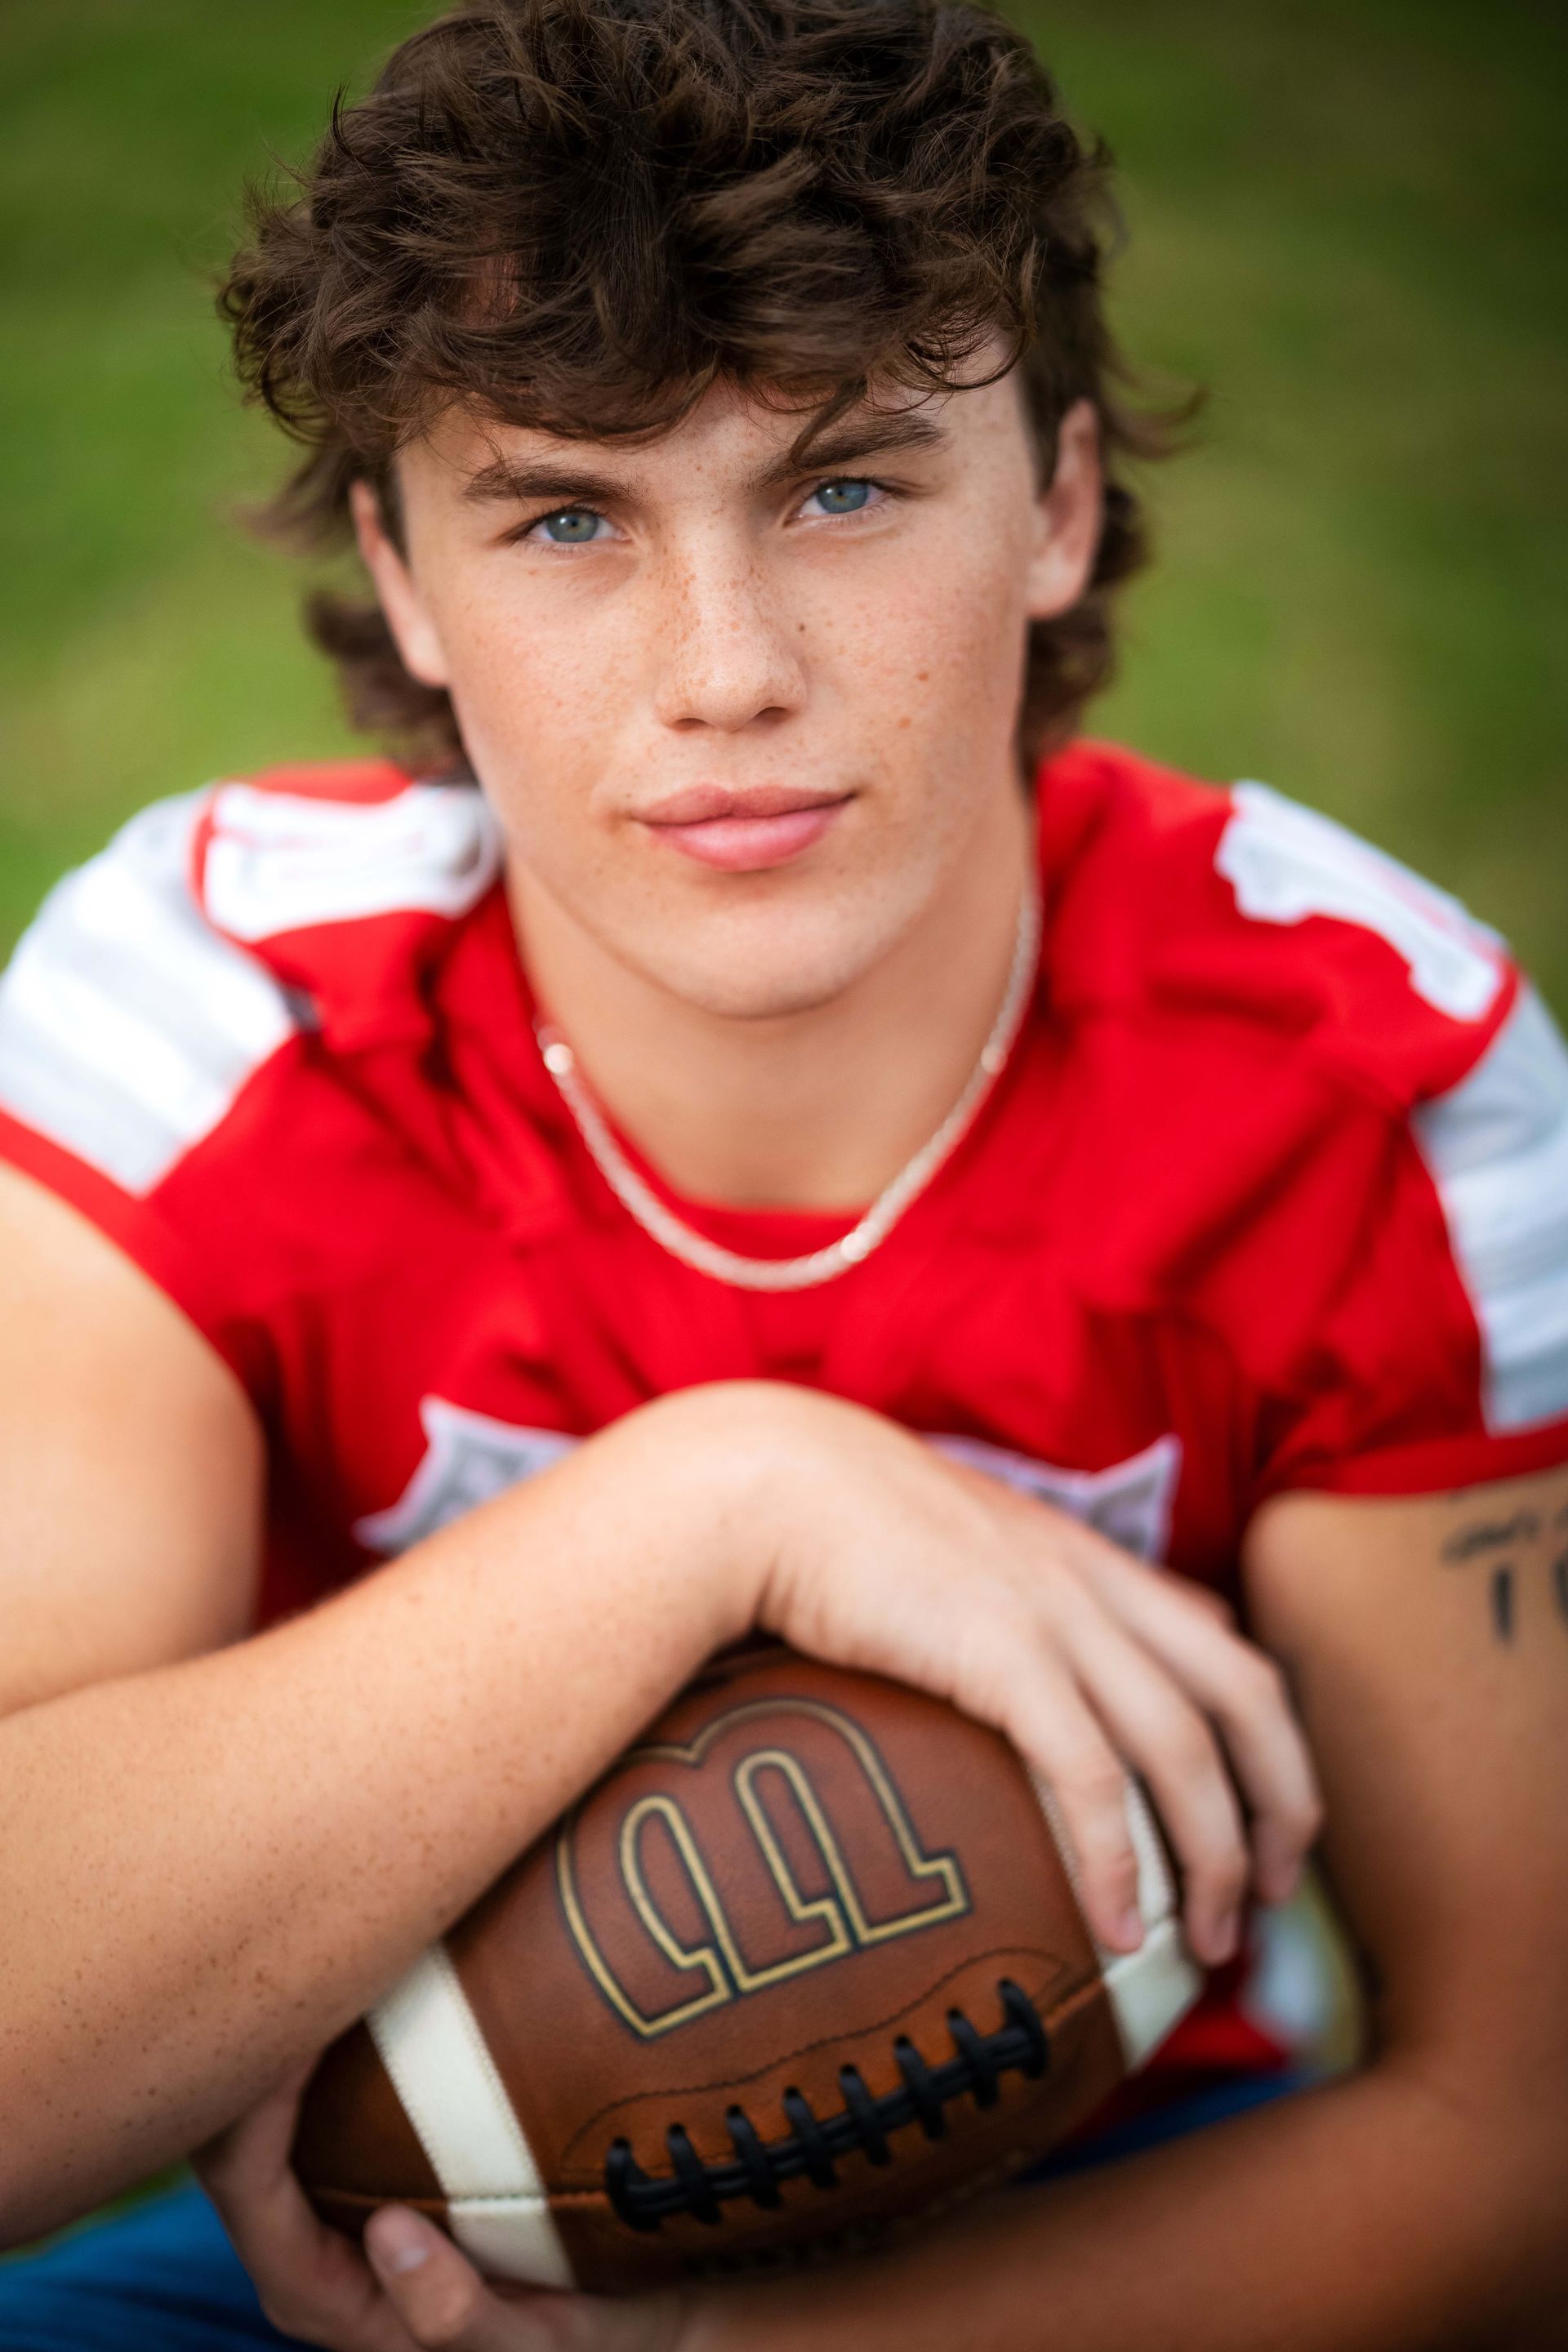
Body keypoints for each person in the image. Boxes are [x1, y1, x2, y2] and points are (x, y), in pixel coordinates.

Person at [0, 0, 1565, 2345]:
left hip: (1121, 2200)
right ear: (407, 584)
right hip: (383, 2208)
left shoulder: (1376, 1083)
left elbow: (1515, 2134)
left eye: (842, 487)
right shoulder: (208, 1018)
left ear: (1047, 503)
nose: (725, 673)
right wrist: (716, 1494)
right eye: (563, 518)